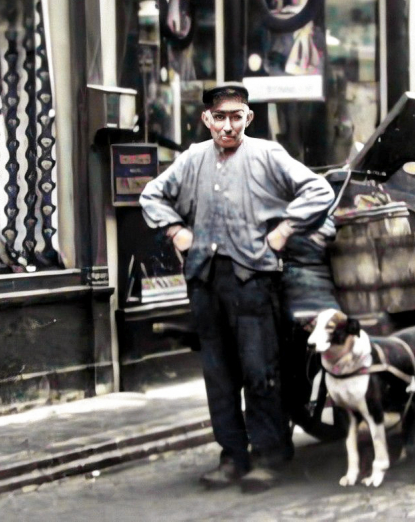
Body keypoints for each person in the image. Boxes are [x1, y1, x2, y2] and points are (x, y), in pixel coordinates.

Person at [139, 82, 335, 493]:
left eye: (236, 116)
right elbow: (151, 195)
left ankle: (269, 454)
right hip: (206, 281)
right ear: (207, 120)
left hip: (254, 281)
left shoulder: (267, 154)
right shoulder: (193, 158)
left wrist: (283, 231)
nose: (228, 126)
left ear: (248, 118)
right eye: (220, 117)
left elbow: (319, 190)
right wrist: (175, 230)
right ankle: (232, 455)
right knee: (219, 374)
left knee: (259, 369)